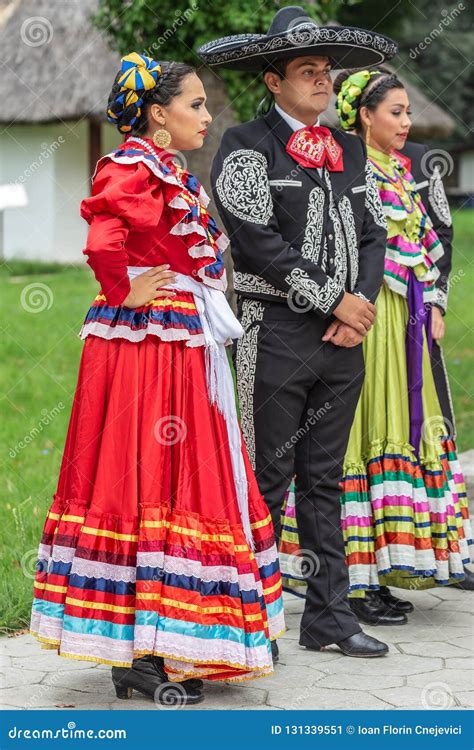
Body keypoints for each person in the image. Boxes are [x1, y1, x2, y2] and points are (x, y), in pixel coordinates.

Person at [29, 52, 285, 705]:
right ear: (156, 113)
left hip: (179, 342)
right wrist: (122, 287)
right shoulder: (132, 167)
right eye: (194, 104)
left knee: (181, 480)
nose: (205, 115)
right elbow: (101, 239)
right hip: (144, 347)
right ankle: (137, 657)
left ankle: (174, 636)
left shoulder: (169, 170)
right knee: (144, 476)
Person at [200, 6, 397, 658]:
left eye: (325, 70)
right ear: (272, 80)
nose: (321, 80)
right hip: (274, 332)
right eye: (306, 70)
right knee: (267, 479)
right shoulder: (242, 146)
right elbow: (257, 247)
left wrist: (360, 305)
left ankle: (330, 618)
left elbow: (373, 236)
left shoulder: (346, 148)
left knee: (325, 481)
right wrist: (333, 301)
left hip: (343, 339)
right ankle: (251, 619)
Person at [280, 67, 473, 625]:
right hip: (370, 318)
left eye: (409, 112)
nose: (407, 123)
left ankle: (394, 564)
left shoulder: (407, 173)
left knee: (411, 427)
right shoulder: (349, 169)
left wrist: (434, 300)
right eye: (396, 112)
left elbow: (431, 240)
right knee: (363, 435)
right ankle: (355, 583)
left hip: (407, 322)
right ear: (365, 115)